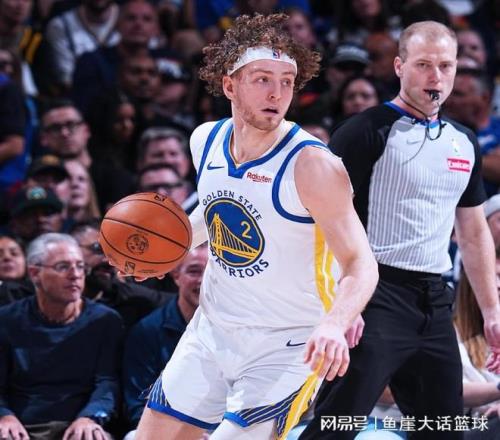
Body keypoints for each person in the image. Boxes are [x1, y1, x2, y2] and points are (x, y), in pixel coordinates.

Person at [134, 13, 378, 440]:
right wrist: (162, 248)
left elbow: (361, 262)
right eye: (262, 79)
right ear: (230, 86)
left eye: (287, 81)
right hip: (213, 328)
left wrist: (336, 322)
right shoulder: (205, 140)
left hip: (288, 343)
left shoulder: (313, 165)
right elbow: (215, 211)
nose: (277, 93)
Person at [299, 20, 500, 440]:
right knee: (336, 426)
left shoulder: (464, 142)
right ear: (399, 67)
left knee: (443, 430)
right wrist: (342, 305)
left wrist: (492, 312)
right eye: (423, 64)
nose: (435, 77)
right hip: (374, 295)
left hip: (435, 300)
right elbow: (322, 222)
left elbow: (473, 232)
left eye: (445, 66)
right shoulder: (363, 131)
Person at [0, 233, 123, 440]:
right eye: (63, 267)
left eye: (80, 266)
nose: (75, 275)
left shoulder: (105, 321)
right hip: (21, 424)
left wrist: (90, 417)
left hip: (79, 424)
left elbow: (107, 382)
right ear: (34, 273)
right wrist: (4, 416)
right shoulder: (7, 320)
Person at [122, 244, 208, 438]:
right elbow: (137, 403)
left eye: (210, 272)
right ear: (176, 275)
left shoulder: (234, 328)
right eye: (194, 271)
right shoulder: (147, 330)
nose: (203, 280)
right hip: (163, 428)